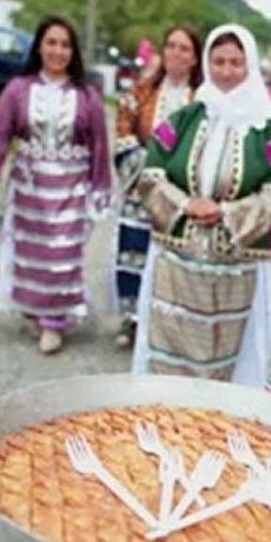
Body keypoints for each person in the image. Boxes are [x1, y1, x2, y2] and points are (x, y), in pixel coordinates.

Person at [131, 23, 271, 384]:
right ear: (206, 64)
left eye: (235, 63)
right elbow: (150, 174)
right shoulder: (184, 119)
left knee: (228, 361)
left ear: (249, 66)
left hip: (237, 267)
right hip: (177, 263)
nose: (226, 71)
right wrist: (185, 204)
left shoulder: (268, 130)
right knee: (169, 354)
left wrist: (225, 212)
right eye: (218, 61)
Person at [0, 15, 111, 355]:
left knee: (62, 253)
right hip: (29, 187)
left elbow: (99, 145)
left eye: (65, 44)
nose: (58, 51)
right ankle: (36, 313)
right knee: (31, 252)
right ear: (39, 46)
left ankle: (55, 322)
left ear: (74, 51)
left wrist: (99, 188)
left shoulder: (87, 95)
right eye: (51, 43)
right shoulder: (18, 90)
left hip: (70, 188)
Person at [110, 25, 203, 349]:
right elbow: (123, 137)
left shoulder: (202, 102)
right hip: (141, 194)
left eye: (184, 48)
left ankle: (167, 325)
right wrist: (151, 174)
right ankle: (132, 319)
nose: (176, 53)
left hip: (180, 198)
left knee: (173, 261)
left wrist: (176, 181)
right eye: (171, 46)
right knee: (134, 254)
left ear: (194, 58)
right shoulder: (139, 93)